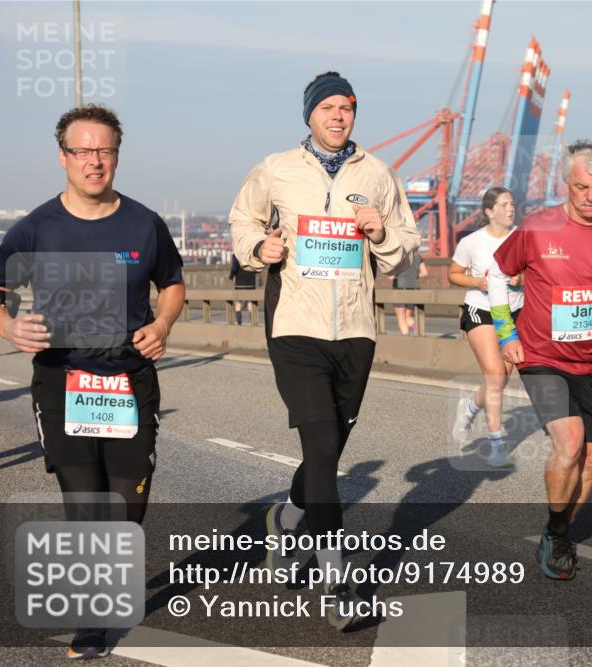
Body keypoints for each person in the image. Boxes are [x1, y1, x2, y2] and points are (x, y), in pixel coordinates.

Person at [0, 104, 185, 659]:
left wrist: (162, 324)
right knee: (84, 505)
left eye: (104, 150)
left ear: (117, 155)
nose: (94, 161)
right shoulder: (38, 227)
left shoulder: (144, 224)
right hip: (63, 384)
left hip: (130, 382)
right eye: (82, 151)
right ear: (63, 158)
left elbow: (172, 284)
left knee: (126, 507)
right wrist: (12, 326)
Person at [229, 71, 420, 630]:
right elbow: (242, 219)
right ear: (309, 115)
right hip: (294, 325)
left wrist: (381, 231)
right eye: (328, 107)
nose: (338, 116)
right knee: (318, 438)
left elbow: (405, 250)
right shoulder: (277, 169)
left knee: (328, 451)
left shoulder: (379, 175)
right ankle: (337, 578)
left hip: (356, 329)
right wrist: (257, 246)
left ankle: (289, 521)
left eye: (348, 107)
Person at [487, 141, 592, 580]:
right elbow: (498, 275)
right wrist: (506, 333)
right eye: (581, 186)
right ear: (567, 183)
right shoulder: (538, 228)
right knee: (570, 442)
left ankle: (555, 530)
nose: (589, 196)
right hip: (541, 354)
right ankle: (559, 537)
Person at [448, 187, 524, 467]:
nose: (510, 209)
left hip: (514, 312)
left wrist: (521, 278)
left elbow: (535, 272)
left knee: (500, 379)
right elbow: (453, 274)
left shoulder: (522, 238)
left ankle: (468, 409)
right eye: (504, 204)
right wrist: (478, 282)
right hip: (480, 311)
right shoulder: (472, 242)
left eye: (512, 204)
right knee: (494, 376)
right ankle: (496, 446)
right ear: (489, 211)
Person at [392, 258, 427, 335]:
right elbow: (424, 273)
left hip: (400, 288)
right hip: (413, 289)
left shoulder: (398, 256)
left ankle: (406, 339)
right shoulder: (417, 256)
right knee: (408, 316)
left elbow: (391, 277)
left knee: (401, 317)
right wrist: (413, 276)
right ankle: (417, 332)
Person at [228, 253, 256, 325]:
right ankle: (253, 323)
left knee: (238, 303)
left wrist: (231, 277)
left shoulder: (237, 254)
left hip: (240, 283)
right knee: (250, 303)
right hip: (251, 282)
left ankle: (239, 323)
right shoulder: (251, 252)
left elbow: (234, 268)